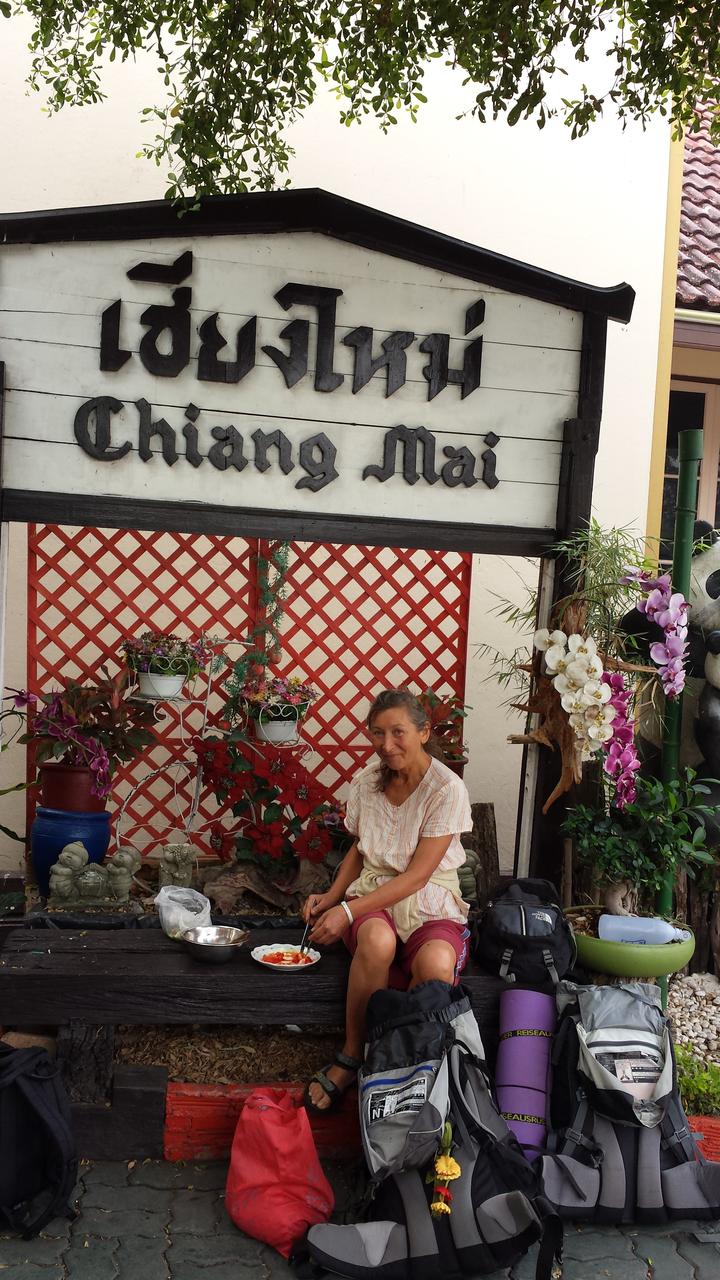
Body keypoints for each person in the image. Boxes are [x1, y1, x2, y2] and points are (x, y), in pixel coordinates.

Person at [302, 688, 472, 1114]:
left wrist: (346, 912)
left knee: (436, 964)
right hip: (374, 895)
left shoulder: (446, 788)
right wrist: (331, 897)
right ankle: (352, 1055)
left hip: (430, 899)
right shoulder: (368, 782)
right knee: (377, 941)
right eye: (377, 733)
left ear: (423, 732)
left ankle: (398, 1060)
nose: (387, 744)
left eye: (398, 732)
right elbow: (361, 848)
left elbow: (417, 877)